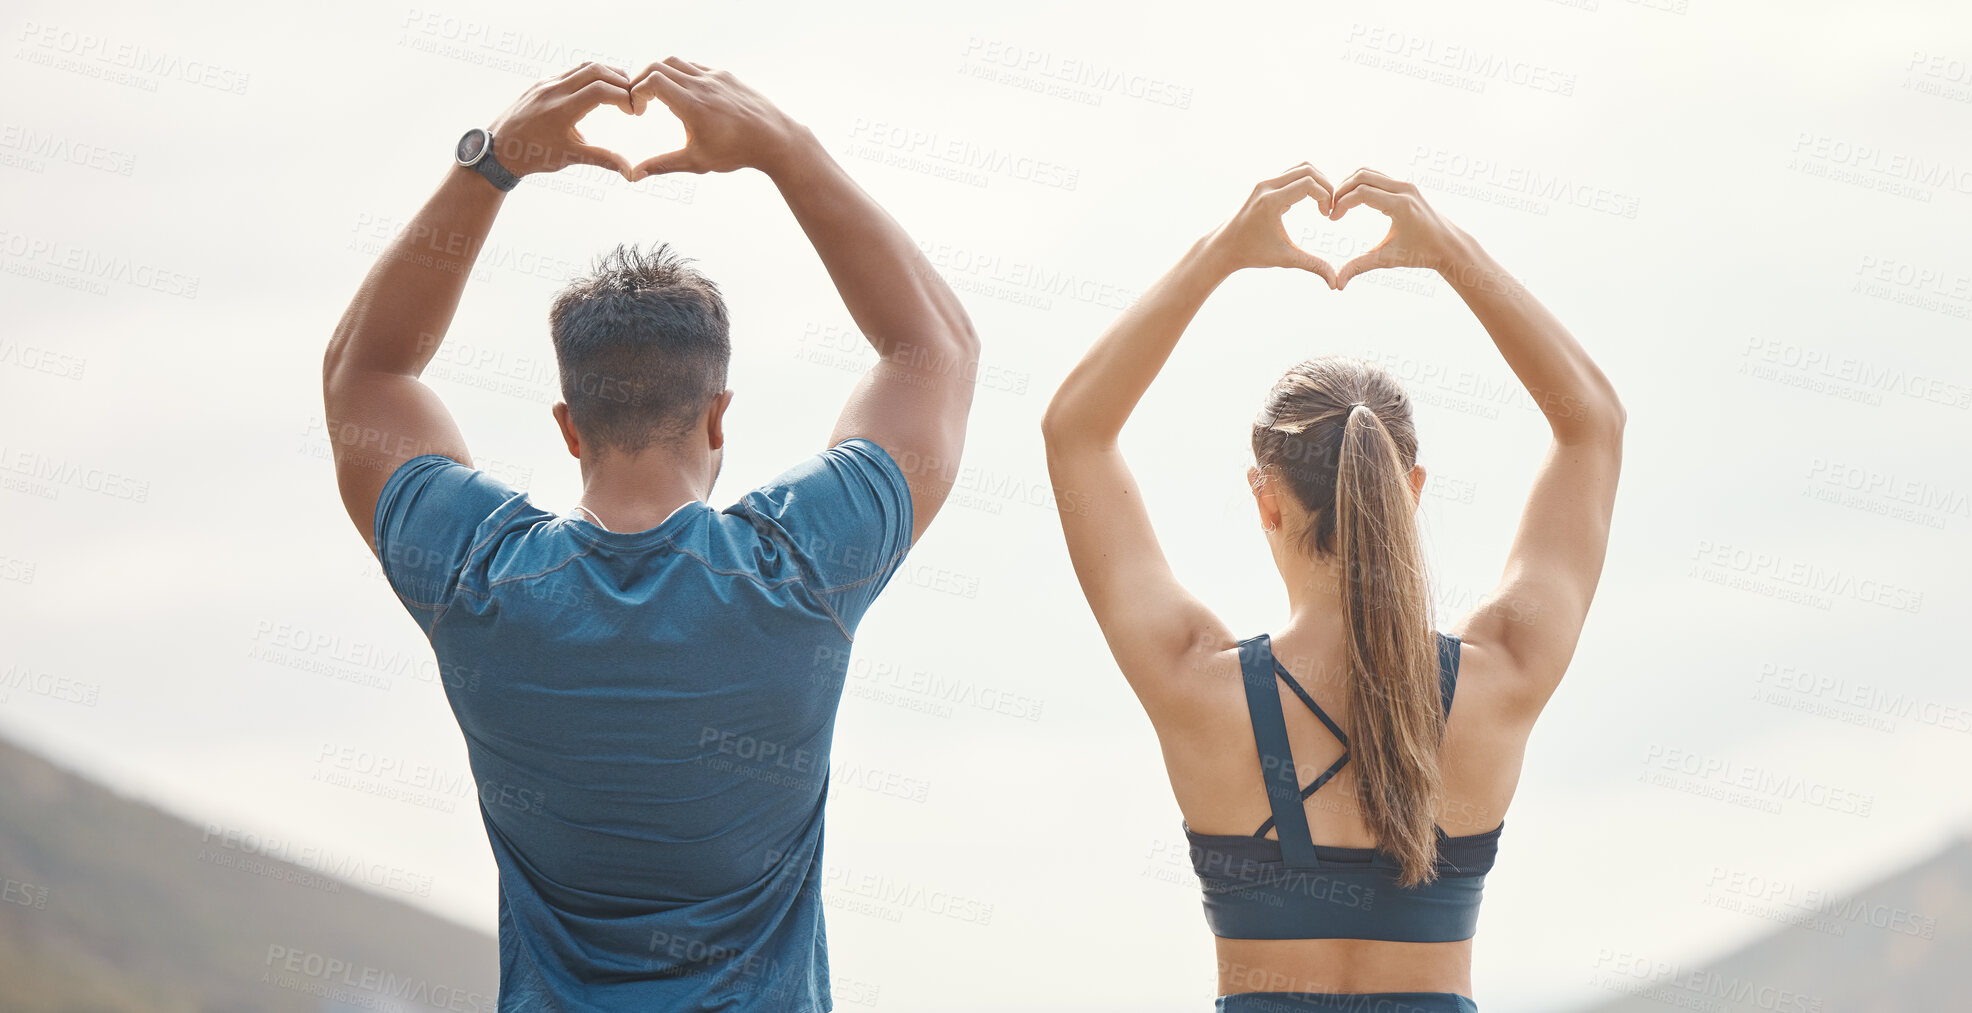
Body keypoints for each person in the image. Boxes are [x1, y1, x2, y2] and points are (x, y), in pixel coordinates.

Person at [321, 59, 979, 1012]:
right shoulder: (798, 571)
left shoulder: (477, 577)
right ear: (718, 418)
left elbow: (364, 372)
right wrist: (785, 152)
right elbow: (937, 350)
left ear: (569, 426)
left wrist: (492, 163)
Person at [1040, 163, 1623, 1012]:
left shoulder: (1194, 682)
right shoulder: (1502, 674)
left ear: (1266, 497)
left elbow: (1075, 432)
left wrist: (1220, 253)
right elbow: (1593, 426)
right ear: (1410, 488)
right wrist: (1450, 251)